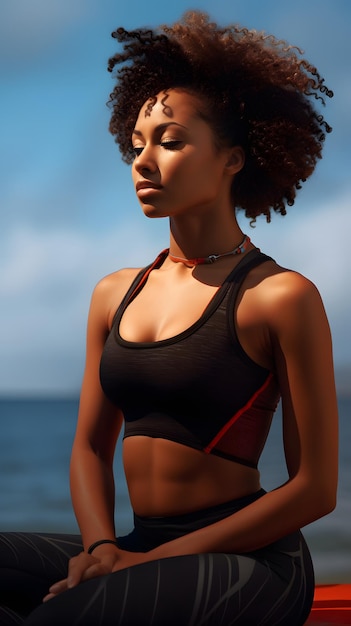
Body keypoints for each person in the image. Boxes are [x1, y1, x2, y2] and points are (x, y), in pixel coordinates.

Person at [0, 10, 338, 625]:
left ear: (234, 158)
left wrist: (151, 563)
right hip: (138, 545)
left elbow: (315, 487)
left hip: (253, 563)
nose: (143, 162)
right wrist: (102, 548)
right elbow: (88, 448)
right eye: (136, 146)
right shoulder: (114, 294)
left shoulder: (280, 296)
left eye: (171, 141)